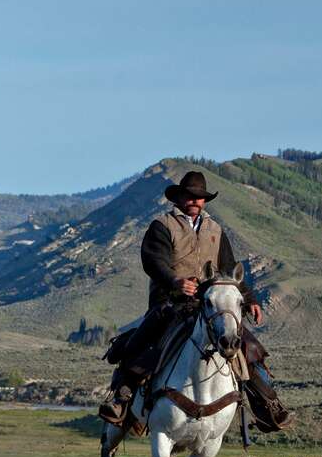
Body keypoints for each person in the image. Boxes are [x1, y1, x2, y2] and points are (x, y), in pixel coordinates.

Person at [98, 170, 293, 430]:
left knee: (249, 348)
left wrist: (249, 298)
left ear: (204, 201)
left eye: (199, 197)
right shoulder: (163, 226)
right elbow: (153, 261)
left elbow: (229, 267)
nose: (194, 201)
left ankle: (270, 406)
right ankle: (122, 399)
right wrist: (175, 282)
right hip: (170, 302)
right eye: (189, 196)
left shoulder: (215, 229)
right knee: (141, 344)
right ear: (179, 198)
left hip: (210, 304)